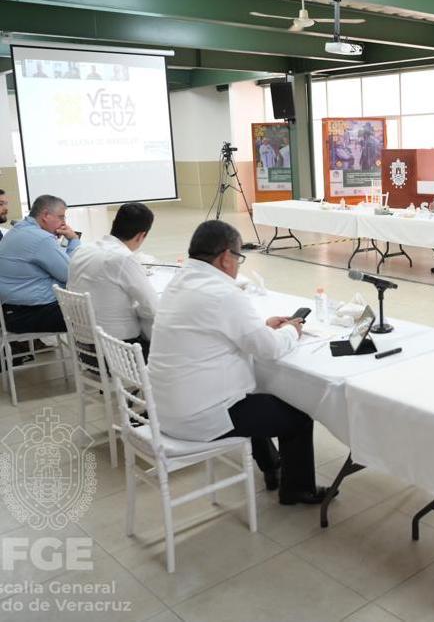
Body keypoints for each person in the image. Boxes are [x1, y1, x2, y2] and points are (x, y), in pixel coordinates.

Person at [148, 220, 328, 505]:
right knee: (298, 417)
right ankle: (297, 489)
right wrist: (291, 331)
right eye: (239, 257)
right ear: (226, 257)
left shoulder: (179, 283)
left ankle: (273, 467)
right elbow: (268, 349)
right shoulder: (224, 293)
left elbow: (219, 332)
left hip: (165, 408)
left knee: (254, 399)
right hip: (199, 418)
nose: (239, 265)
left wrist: (263, 326)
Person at [68, 203, 159, 360]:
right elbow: (153, 308)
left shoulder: (82, 251)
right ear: (141, 235)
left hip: (83, 349)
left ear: (114, 225)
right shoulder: (122, 258)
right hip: (118, 354)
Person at [0, 194, 80, 334]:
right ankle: (96, 355)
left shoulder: (18, 230)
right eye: (61, 217)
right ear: (46, 215)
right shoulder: (40, 239)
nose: (64, 222)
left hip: (11, 312)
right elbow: (71, 274)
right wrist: (73, 240)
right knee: (97, 313)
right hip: (29, 315)